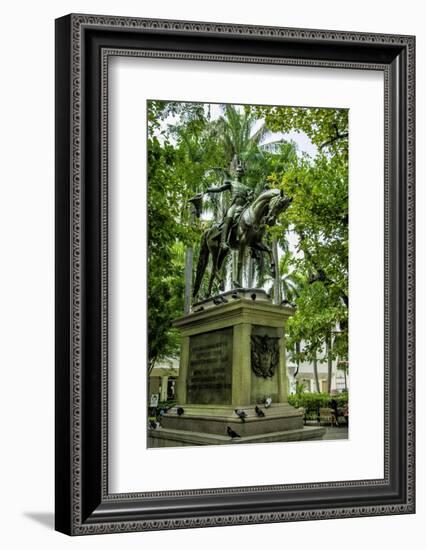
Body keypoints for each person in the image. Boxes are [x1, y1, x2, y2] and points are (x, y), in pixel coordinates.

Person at [189, 164, 254, 251]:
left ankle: (251, 243)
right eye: (237, 171)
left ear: (243, 174)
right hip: (234, 206)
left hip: (244, 207)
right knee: (230, 217)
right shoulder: (231, 183)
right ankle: (224, 242)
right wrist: (208, 190)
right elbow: (219, 189)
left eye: (240, 171)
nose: (238, 173)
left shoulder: (246, 188)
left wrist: (250, 198)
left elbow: (250, 198)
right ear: (235, 173)